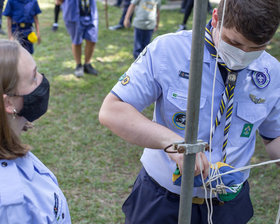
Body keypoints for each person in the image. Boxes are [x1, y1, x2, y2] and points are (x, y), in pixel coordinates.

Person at [99, 0, 280, 223]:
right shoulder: (168, 51)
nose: (243, 54)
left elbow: (274, 139)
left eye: (255, 48)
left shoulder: (271, 72)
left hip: (227, 207)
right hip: (163, 201)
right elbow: (113, 110)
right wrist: (174, 143)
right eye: (234, 42)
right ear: (215, 18)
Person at [0, 39, 71, 223]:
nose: (42, 80)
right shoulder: (13, 204)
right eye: (33, 78)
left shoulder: (9, 144)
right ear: (8, 103)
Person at [61, 0, 99, 77]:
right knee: (77, 41)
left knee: (92, 40)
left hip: (90, 13)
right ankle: (78, 65)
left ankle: (87, 64)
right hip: (73, 14)